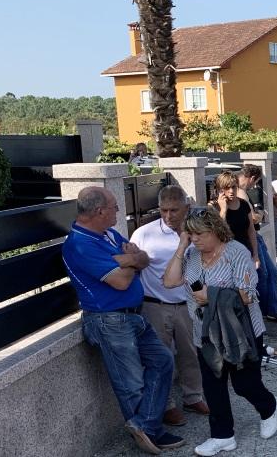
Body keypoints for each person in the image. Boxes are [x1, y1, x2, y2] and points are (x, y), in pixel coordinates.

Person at [62, 186, 183, 454]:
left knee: (163, 361)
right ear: (99, 211)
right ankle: (149, 432)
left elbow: (144, 259)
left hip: (132, 317)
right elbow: (120, 281)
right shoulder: (79, 244)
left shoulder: (109, 234)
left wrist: (127, 259)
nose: (118, 210)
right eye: (114, 206)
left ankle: (144, 425)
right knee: (131, 383)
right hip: (109, 320)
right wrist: (132, 260)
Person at [163, 207, 277, 456]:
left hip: (240, 332)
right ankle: (223, 435)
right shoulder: (192, 255)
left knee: (244, 384)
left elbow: (249, 295)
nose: (195, 239)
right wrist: (182, 247)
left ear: (216, 230)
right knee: (213, 386)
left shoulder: (237, 252)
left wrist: (211, 295)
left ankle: (269, 407)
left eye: (200, 234)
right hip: (206, 333)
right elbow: (170, 281)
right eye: (191, 234)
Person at [129, 185, 210, 428]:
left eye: (174, 210)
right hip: (155, 305)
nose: (168, 216)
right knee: (161, 359)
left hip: (188, 304)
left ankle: (193, 396)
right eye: (163, 210)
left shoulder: (199, 231)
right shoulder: (144, 234)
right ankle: (165, 405)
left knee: (191, 352)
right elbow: (133, 267)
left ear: (186, 208)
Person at [237, 165, 277, 324]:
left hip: (253, 236)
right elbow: (253, 218)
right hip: (250, 237)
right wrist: (260, 215)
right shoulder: (241, 192)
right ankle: (268, 310)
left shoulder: (241, 191)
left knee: (269, 272)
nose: (254, 186)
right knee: (264, 274)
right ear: (252, 178)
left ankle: (270, 309)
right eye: (255, 183)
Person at [210, 171, 260, 269]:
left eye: (234, 187)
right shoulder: (213, 207)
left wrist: (255, 255)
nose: (231, 191)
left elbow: (251, 231)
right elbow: (216, 233)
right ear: (220, 190)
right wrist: (223, 210)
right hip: (225, 257)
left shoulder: (244, 204)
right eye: (227, 188)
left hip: (245, 251)